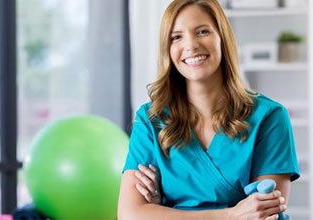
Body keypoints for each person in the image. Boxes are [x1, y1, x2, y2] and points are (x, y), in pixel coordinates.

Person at [117, 0, 300, 219]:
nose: (191, 45)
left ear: (223, 38)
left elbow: (264, 214)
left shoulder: (269, 117)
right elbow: (130, 214)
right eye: (176, 37)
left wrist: (163, 211)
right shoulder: (150, 120)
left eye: (202, 31)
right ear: (168, 49)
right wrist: (232, 215)